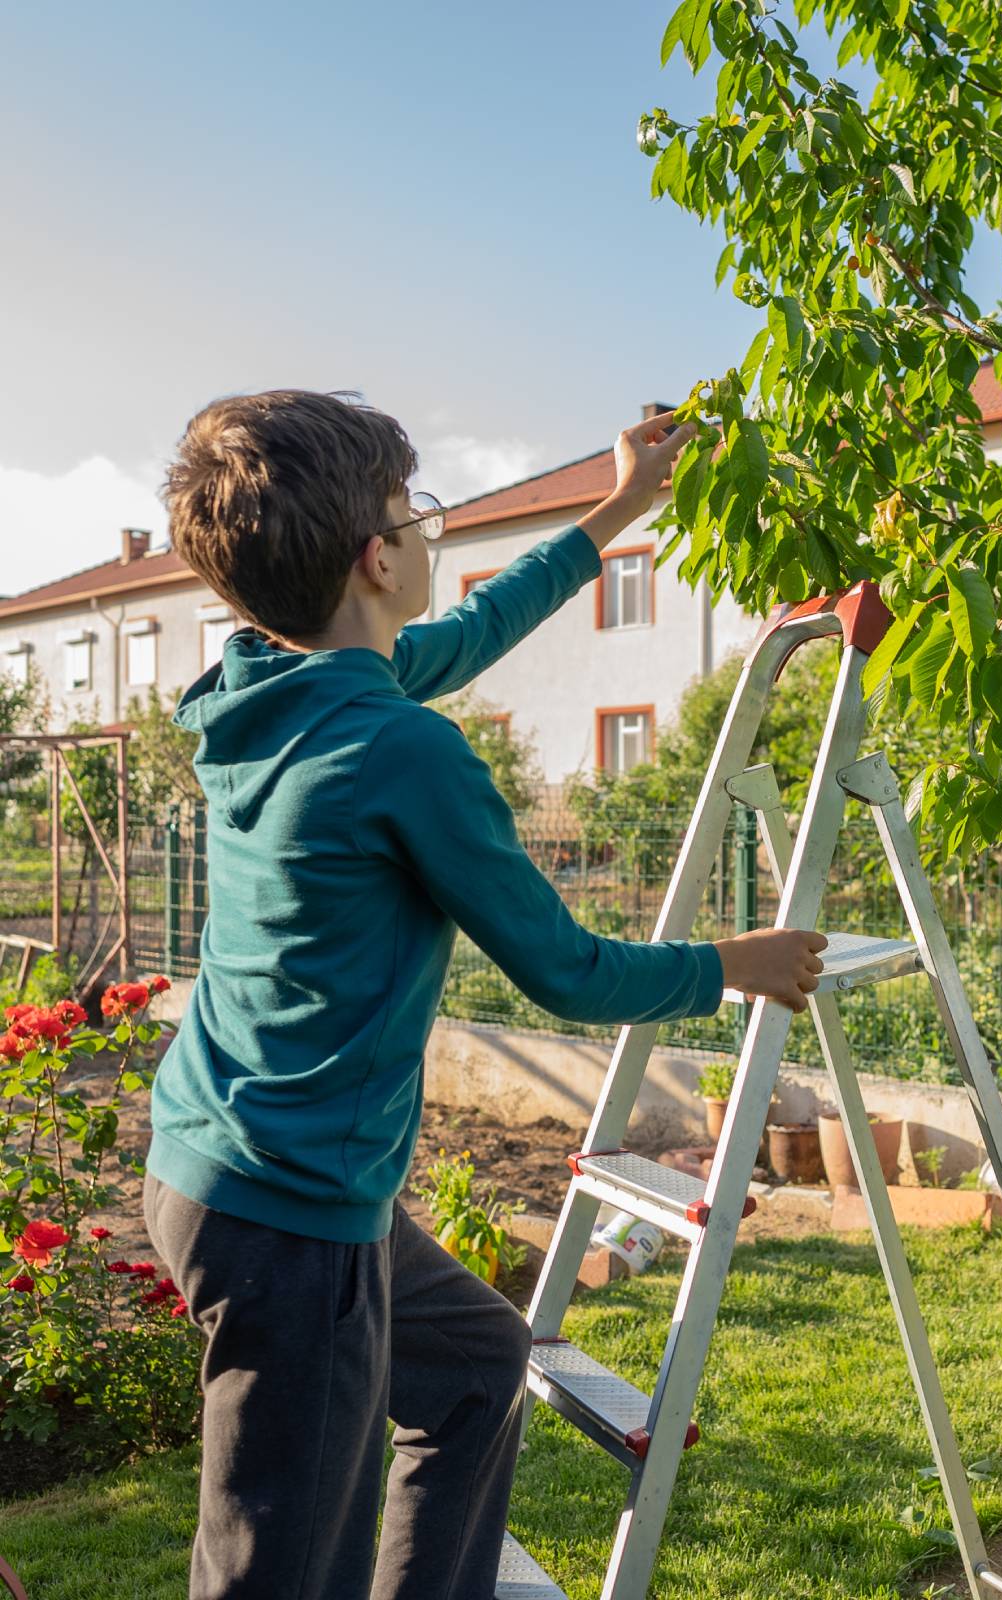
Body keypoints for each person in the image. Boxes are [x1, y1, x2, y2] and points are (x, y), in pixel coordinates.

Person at [141, 391, 826, 1600]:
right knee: (276, 1568)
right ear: (378, 556)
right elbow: (565, 969)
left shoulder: (267, 687)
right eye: (417, 513)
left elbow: (471, 630)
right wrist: (732, 964)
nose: (429, 536)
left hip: (229, 1169)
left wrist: (618, 505)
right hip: (293, 1215)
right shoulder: (396, 748)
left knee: (474, 1366)